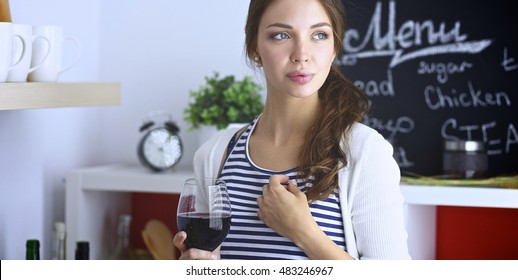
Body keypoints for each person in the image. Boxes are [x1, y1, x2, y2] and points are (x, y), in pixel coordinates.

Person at [173, 0, 410, 260]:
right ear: (255, 49)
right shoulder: (214, 156)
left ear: (334, 48)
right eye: (281, 35)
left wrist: (302, 231)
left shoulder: (365, 153)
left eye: (319, 35)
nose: (301, 54)